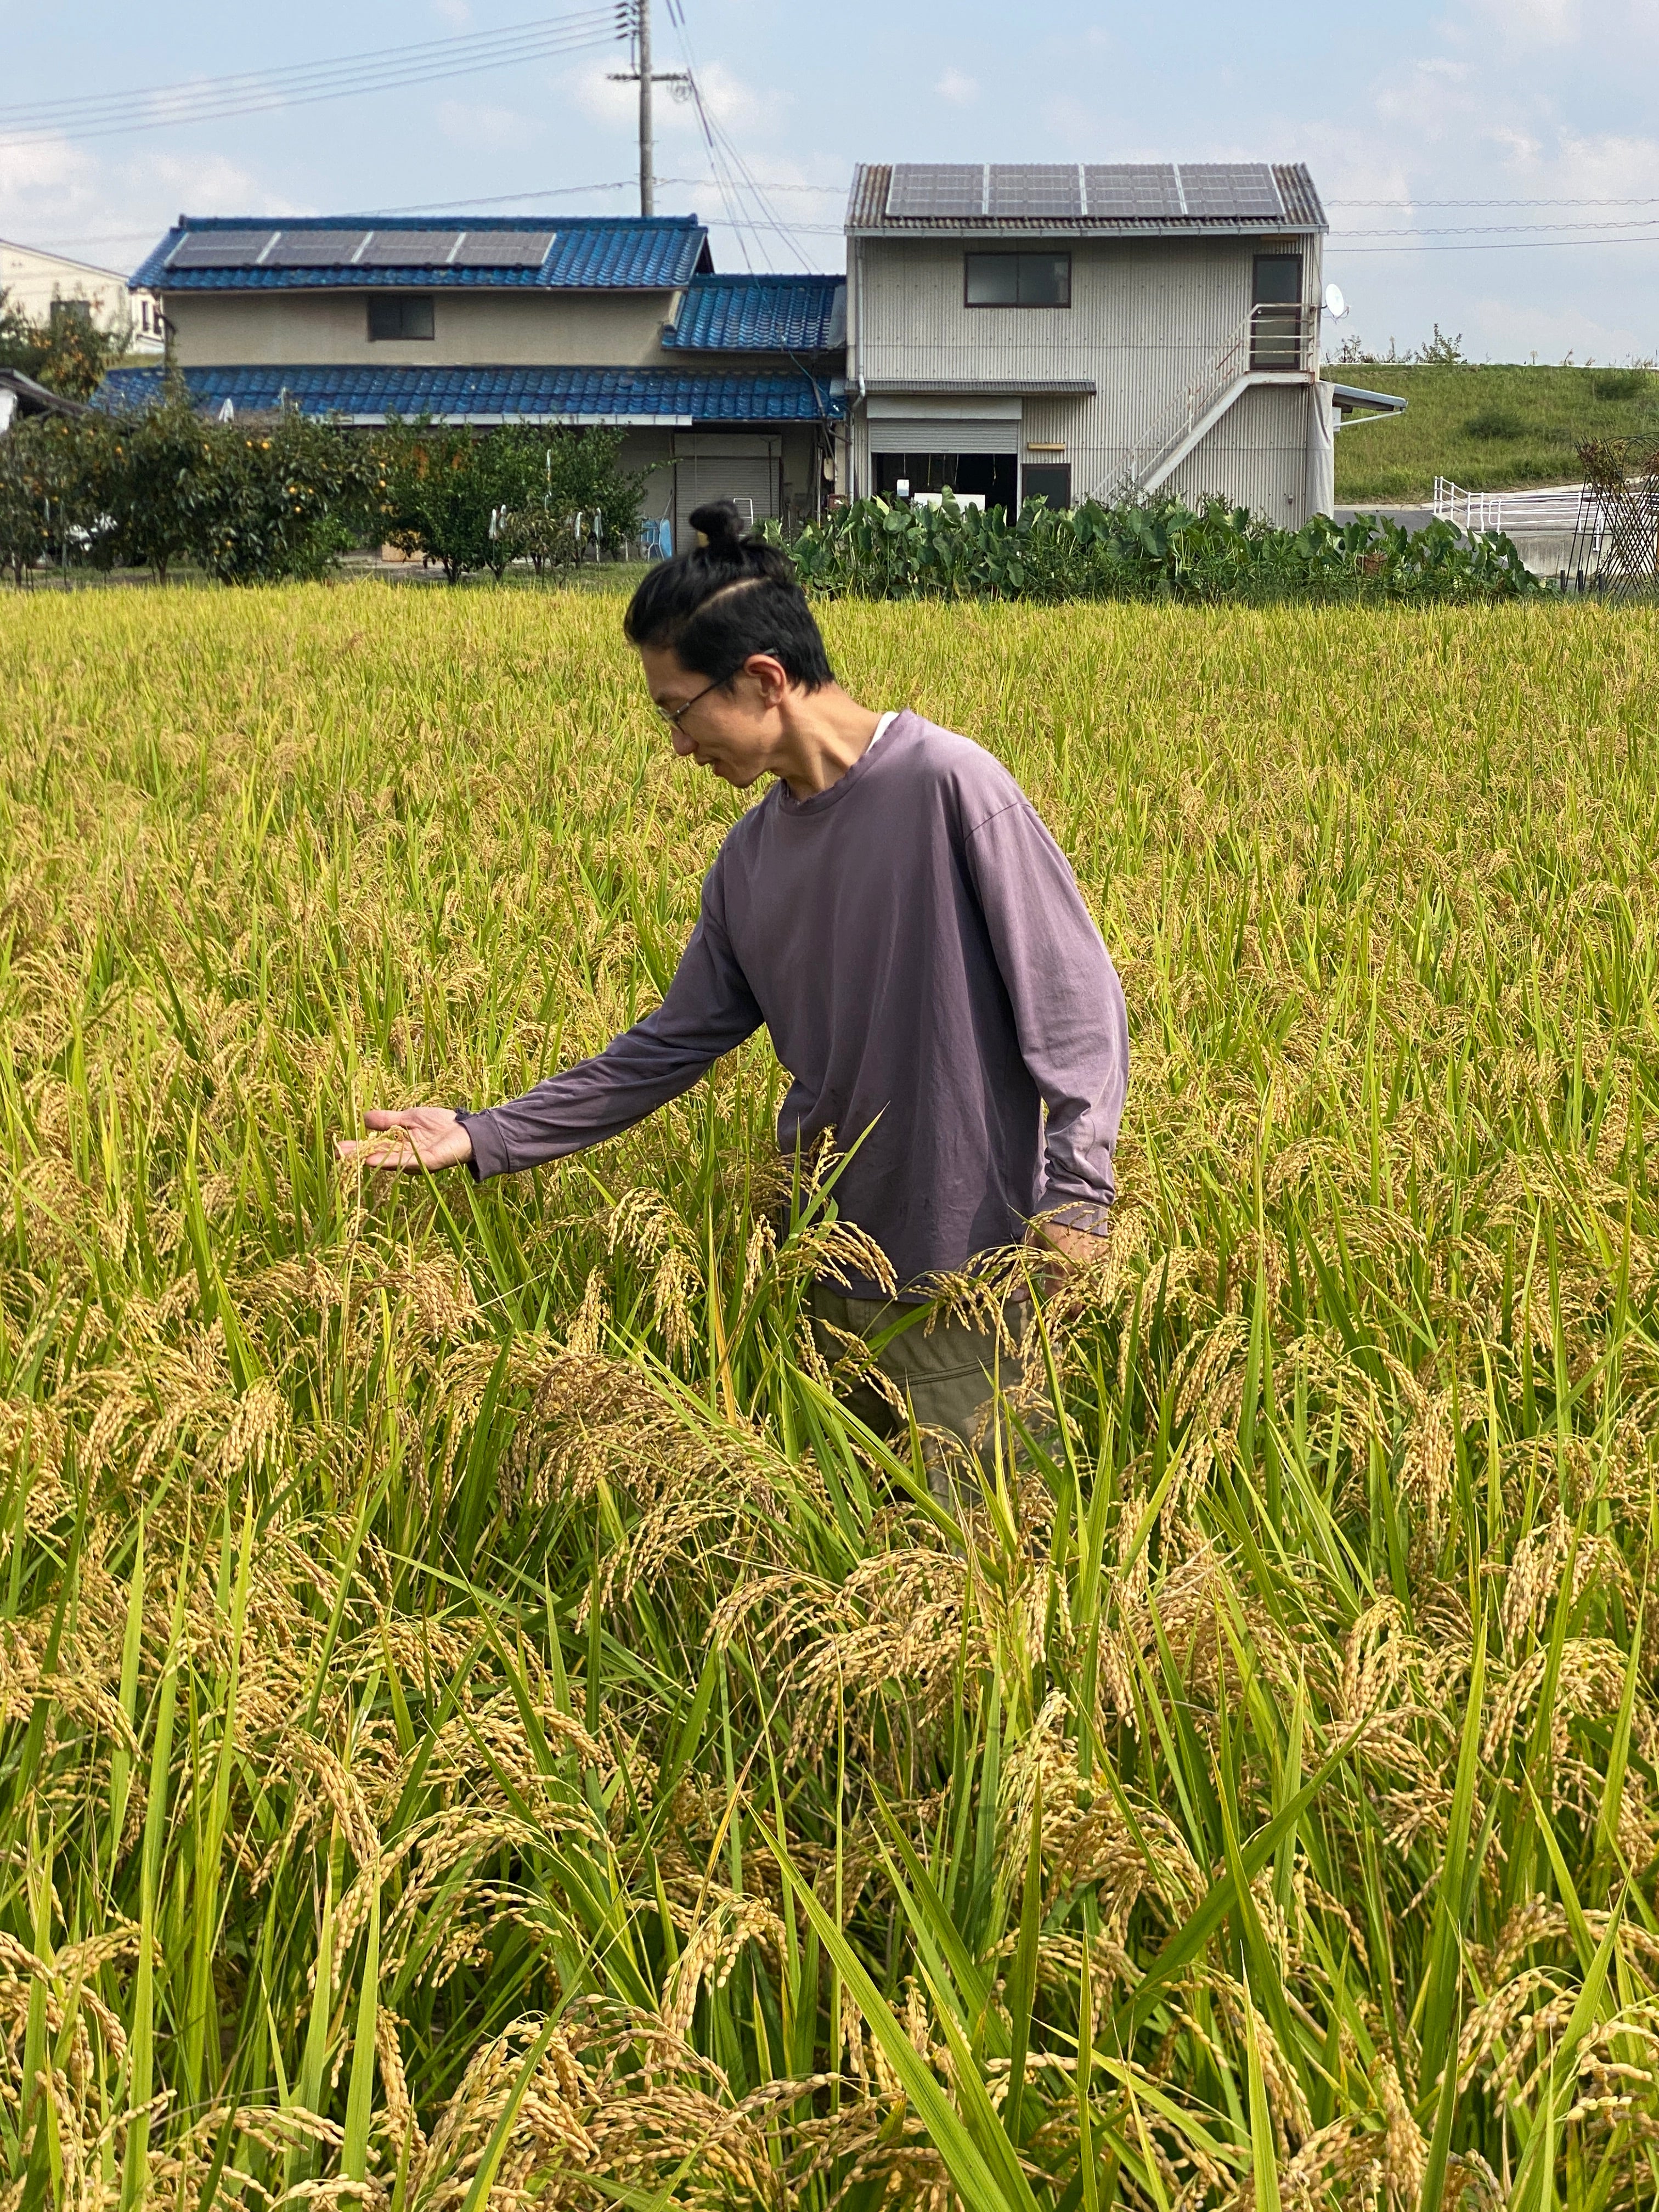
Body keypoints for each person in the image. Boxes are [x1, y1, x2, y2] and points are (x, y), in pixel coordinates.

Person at [337, 499, 1129, 1474]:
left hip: (965, 1265)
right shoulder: (749, 858)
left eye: (678, 711)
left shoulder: (950, 787)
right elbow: (670, 1044)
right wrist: (485, 1132)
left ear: (764, 681)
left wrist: (1079, 1197)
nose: (675, 746)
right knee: (851, 1546)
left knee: (979, 1559)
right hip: (824, 1251)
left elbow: (1079, 1006)